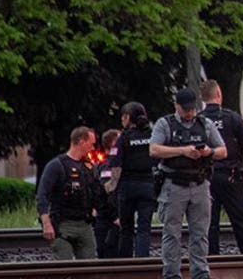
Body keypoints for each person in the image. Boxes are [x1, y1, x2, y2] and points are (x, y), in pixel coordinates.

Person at [151, 88, 227, 279]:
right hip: (174, 184)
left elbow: (222, 150)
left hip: (200, 183)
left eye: (192, 109)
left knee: (200, 232)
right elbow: (154, 149)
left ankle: (201, 275)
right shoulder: (165, 124)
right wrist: (183, 151)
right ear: (177, 106)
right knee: (172, 233)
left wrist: (208, 152)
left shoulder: (205, 124)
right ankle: (172, 278)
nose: (190, 113)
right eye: (186, 110)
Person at [199, 79, 243, 255]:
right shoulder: (233, 118)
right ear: (219, 94)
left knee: (209, 222)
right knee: (240, 220)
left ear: (202, 97)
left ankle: (210, 259)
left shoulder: (199, 121)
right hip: (231, 176)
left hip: (205, 177)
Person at [35, 127, 100, 260]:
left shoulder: (89, 167)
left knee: (90, 267)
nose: (93, 148)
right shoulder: (56, 165)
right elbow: (42, 195)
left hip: (84, 224)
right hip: (62, 225)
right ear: (81, 141)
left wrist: (95, 209)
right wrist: (46, 224)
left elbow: (96, 192)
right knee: (65, 268)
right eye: (91, 143)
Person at [105, 102, 157, 257]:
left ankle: (126, 262)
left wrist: (111, 186)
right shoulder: (152, 136)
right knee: (144, 228)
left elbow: (116, 165)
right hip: (148, 185)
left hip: (127, 187)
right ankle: (142, 262)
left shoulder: (123, 138)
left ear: (128, 117)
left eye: (123, 116)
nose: (121, 119)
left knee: (126, 229)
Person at [93, 128, 122, 258]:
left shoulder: (109, 165)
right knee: (109, 254)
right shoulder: (108, 167)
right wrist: (115, 216)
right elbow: (107, 193)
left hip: (109, 218)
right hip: (108, 219)